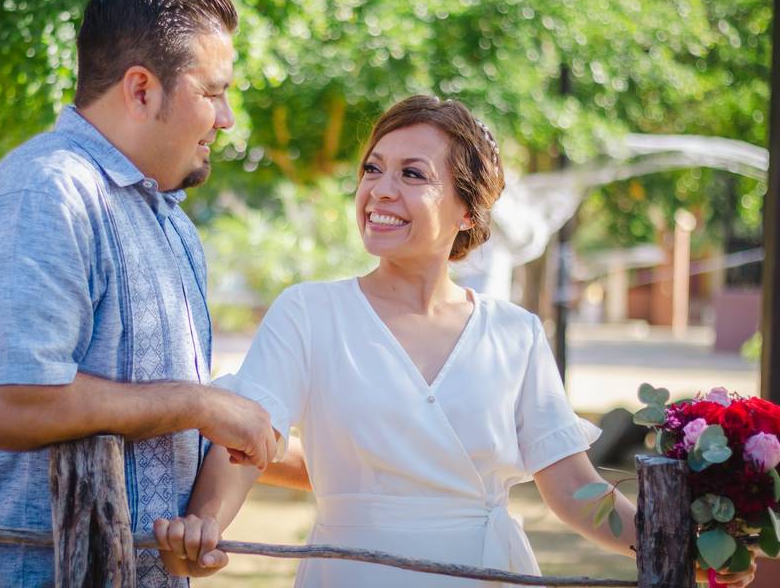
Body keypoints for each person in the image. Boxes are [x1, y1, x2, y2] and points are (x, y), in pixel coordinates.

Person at [153, 95, 757, 587]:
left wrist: (686, 549)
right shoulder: (309, 313)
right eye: (373, 168)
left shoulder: (515, 333)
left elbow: (575, 489)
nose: (380, 190)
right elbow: (247, 440)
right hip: (352, 574)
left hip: (491, 572)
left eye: (412, 174)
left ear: (468, 210)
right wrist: (205, 525)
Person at [0, 0, 279, 587]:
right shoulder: (44, 192)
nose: (226, 119)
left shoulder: (169, 221)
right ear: (142, 90)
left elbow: (160, 431)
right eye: (214, 93)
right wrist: (197, 405)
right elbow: (5, 404)